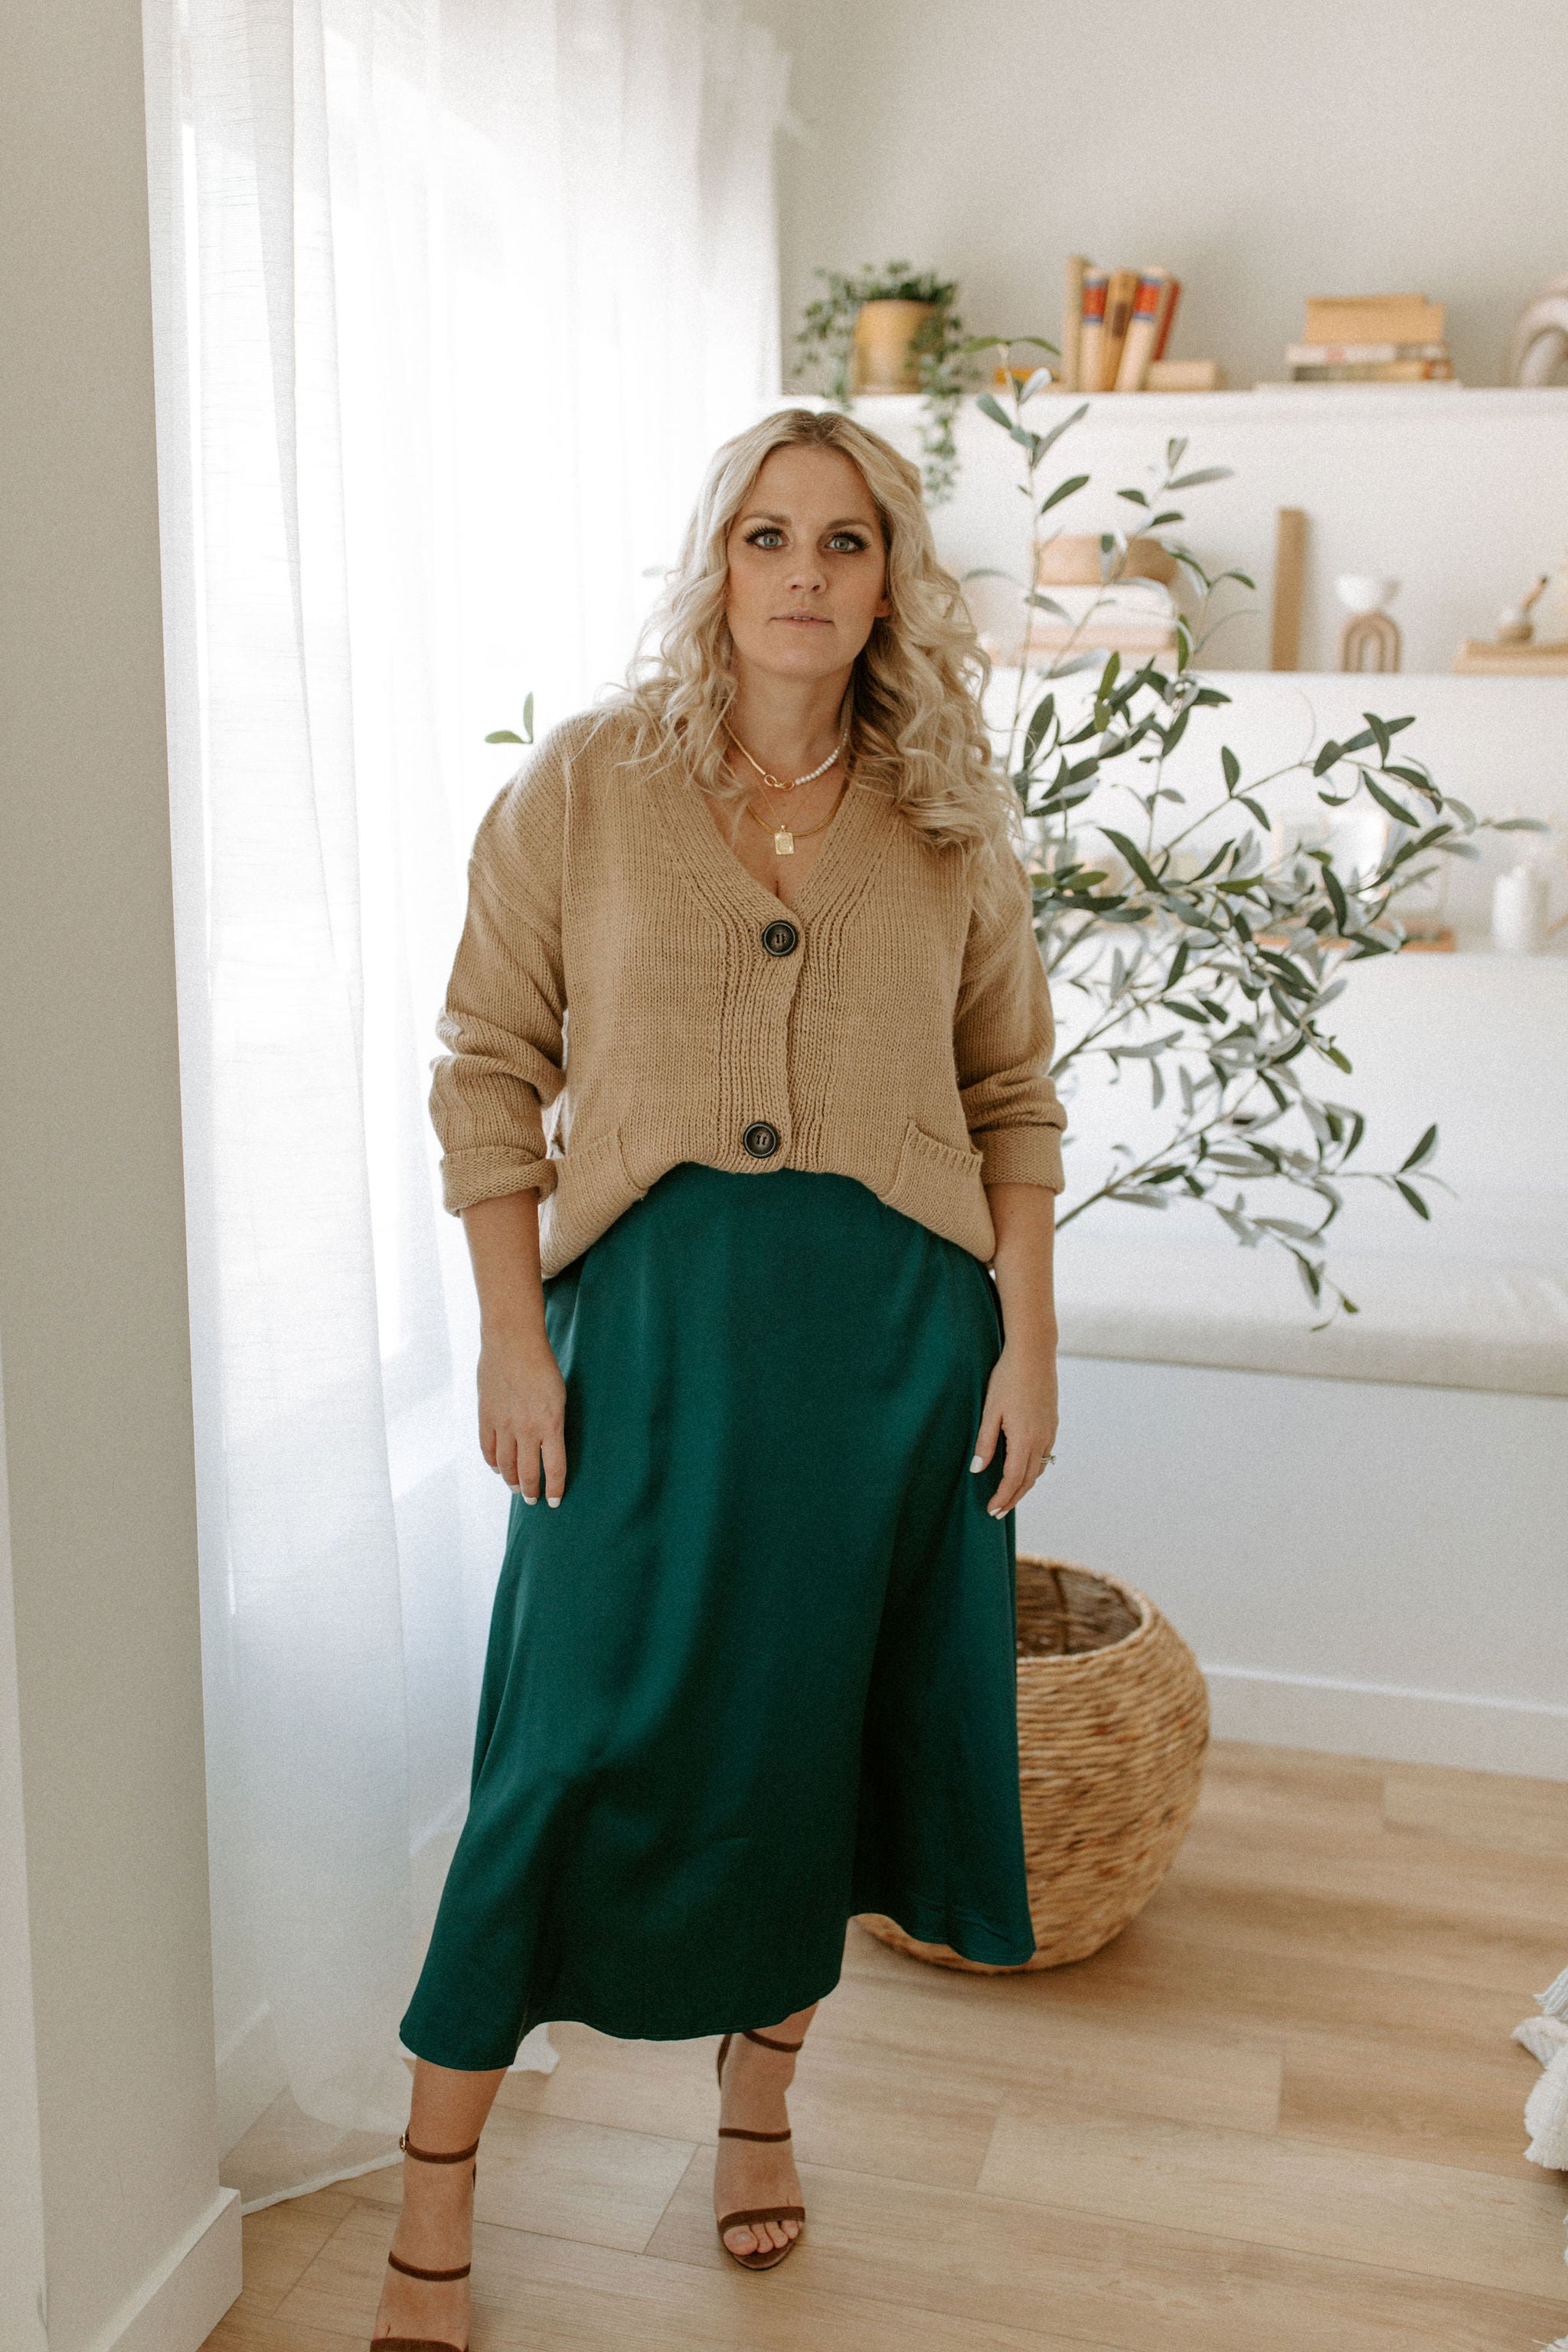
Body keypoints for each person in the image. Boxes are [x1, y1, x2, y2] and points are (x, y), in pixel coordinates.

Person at [371, 406, 1066, 2350]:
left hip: (892, 1359)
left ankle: (757, 2112)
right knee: (560, 1759)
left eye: (845, 541)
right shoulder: (590, 783)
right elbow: (486, 1064)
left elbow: (1011, 1094)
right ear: (716, 563)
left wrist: (1025, 1340)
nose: (805, 575)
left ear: (890, 581)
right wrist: (512, 1334)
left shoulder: (945, 813)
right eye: (769, 535)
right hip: (646, 1347)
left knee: (810, 1750)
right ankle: (433, 2202)